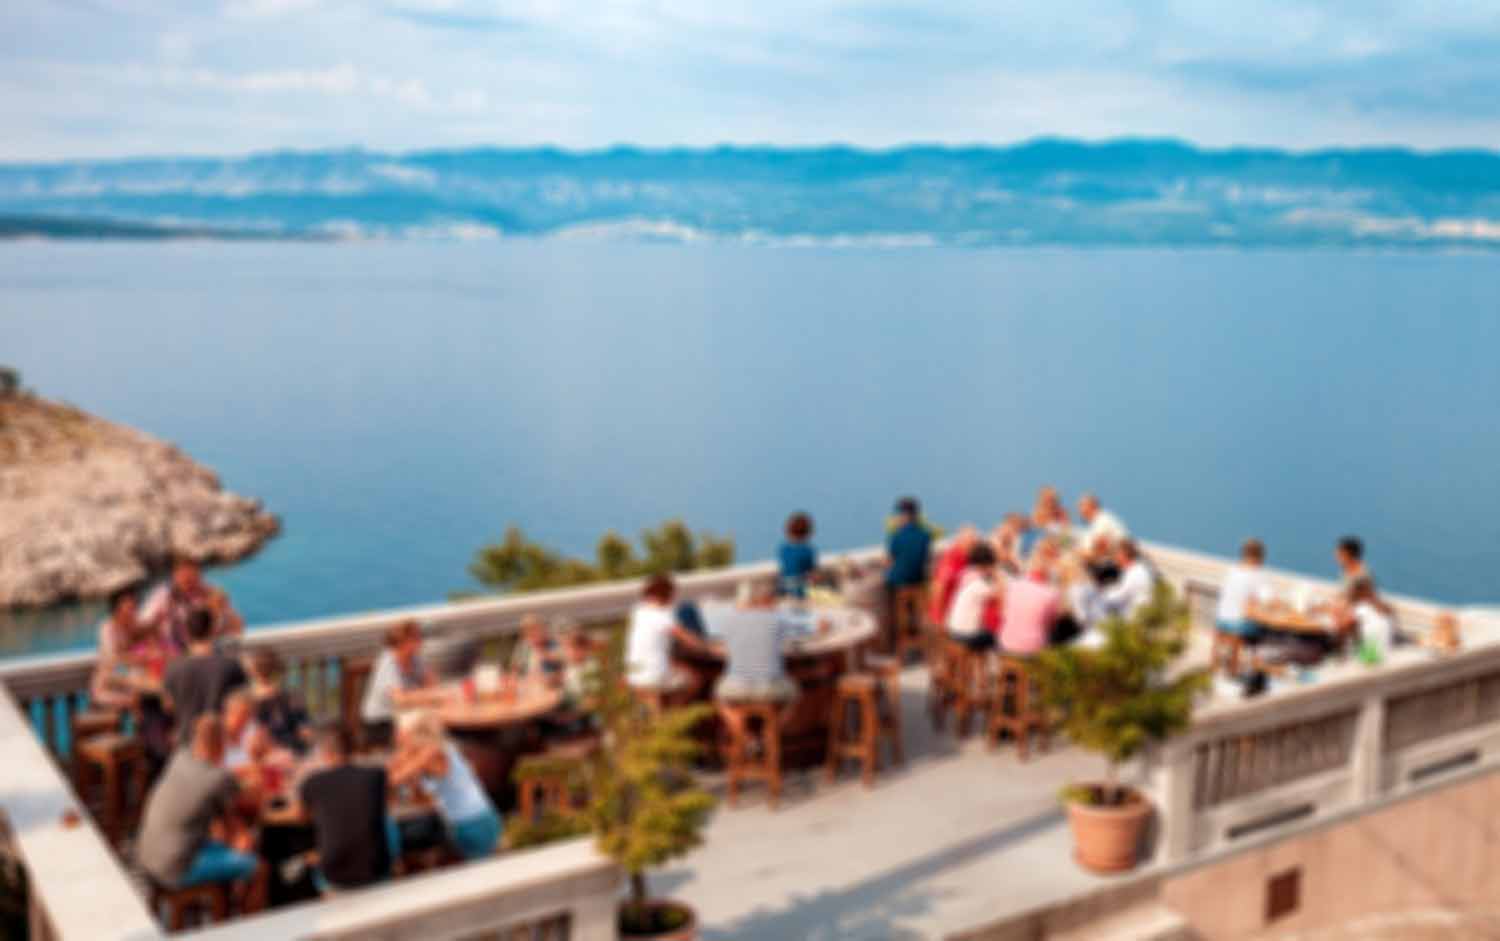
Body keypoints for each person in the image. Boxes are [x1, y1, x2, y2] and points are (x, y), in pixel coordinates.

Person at [136, 715, 266, 909]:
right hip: (176, 867)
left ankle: (224, 910)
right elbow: (249, 803)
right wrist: (256, 762)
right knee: (259, 868)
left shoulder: (179, 758)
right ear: (221, 745)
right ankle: (247, 931)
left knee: (224, 838)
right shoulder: (219, 778)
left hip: (147, 856)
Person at [388, 712, 502, 860]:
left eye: (400, 733)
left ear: (413, 733)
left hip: (475, 823)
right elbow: (414, 790)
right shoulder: (428, 753)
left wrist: (402, 752)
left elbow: (392, 779)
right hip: (465, 823)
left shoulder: (433, 752)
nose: (397, 737)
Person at [299, 724, 397, 893]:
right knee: (385, 822)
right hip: (376, 868)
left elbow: (301, 817)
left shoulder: (311, 783)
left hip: (335, 874)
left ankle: (331, 907)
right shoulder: (376, 775)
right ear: (353, 751)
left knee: (314, 853)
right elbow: (389, 803)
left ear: (325, 753)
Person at [714, 581, 801, 738]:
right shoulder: (778, 620)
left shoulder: (729, 618)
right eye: (775, 600)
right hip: (770, 688)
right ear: (767, 600)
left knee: (719, 698)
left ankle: (745, 738)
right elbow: (798, 638)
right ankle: (767, 736)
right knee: (794, 695)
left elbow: (722, 646)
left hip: (736, 687)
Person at [163, 608, 248, 745]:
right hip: (220, 744)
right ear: (213, 630)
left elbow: (168, 705)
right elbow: (243, 706)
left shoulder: (173, 668)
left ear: (187, 633)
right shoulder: (231, 666)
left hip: (187, 743)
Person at [361, 619, 441, 749]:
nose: (421, 641)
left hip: (404, 715)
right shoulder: (388, 662)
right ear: (403, 642)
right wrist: (427, 695)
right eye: (416, 637)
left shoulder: (414, 658)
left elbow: (432, 685)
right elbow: (400, 699)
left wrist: (429, 680)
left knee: (433, 726)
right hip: (382, 722)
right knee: (426, 731)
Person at [625, 573, 713, 691]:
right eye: (672, 594)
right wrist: (710, 647)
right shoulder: (664, 617)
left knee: (675, 666)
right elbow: (690, 641)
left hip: (633, 674)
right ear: (667, 594)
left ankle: (660, 705)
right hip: (653, 676)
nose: (673, 598)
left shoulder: (638, 611)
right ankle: (676, 708)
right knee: (695, 678)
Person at [140, 557, 243, 655]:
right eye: (184, 577)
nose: (188, 583)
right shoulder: (162, 597)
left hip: (206, 652)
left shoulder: (211, 594)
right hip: (172, 654)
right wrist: (158, 620)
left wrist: (222, 608)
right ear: (175, 576)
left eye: (192, 577)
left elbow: (237, 628)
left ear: (199, 576)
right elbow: (142, 629)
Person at [885, 496, 933, 651]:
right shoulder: (925, 535)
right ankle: (924, 645)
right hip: (919, 581)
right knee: (920, 615)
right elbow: (926, 558)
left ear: (904, 515)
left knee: (900, 616)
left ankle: (900, 646)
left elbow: (890, 560)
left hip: (901, 584)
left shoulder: (896, 536)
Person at [245, 648, 311, 756]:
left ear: (252, 671)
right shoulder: (292, 697)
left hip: (256, 760)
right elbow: (305, 733)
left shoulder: (245, 701)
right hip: (288, 756)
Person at [946, 543, 1002, 652]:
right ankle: (989, 667)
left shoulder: (965, 574)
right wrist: (997, 574)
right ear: (987, 565)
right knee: (996, 637)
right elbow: (1000, 593)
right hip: (966, 634)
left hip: (953, 628)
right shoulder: (980, 583)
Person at [1216, 539, 1272, 644]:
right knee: (1268, 632)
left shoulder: (1232, 570)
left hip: (1221, 621)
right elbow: (1267, 601)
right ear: (1261, 557)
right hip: (1239, 624)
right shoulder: (1258, 574)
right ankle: (1257, 659)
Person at [1094, 540, 1155, 623]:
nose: (1114, 558)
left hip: (1133, 619)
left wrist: (1098, 595)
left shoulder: (1134, 573)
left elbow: (1119, 596)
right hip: (1137, 615)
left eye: (1115, 554)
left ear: (1122, 555)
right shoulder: (1139, 569)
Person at [927, 525, 978, 625]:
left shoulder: (968, 559)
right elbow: (939, 586)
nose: (973, 546)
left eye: (974, 544)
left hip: (956, 615)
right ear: (960, 541)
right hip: (945, 615)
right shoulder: (952, 557)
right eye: (971, 543)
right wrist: (938, 617)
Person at [1076, 493, 1129, 569]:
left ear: (1091, 506)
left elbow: (1101, 547)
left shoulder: (1102, 520)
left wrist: (1081, 556)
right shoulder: (1095, 524)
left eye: (1081, 506)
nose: (1079, 511)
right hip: (1104, 564)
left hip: (1110, 566)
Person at [1349, 576, 1396, 658]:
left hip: (1371, 656)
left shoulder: (1361, 608)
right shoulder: (1384, 607)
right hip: (1386, 651)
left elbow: (1348, 627)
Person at [777, 512, 819, 599]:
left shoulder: (783, 549)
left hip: (784, 588)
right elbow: (812, 573)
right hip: (801, 590)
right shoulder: (807, 550)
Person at [508, 614, 563, 680]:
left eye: (535, 629)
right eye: (527, 631)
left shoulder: (554, 644)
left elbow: (563, 663)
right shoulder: (523, 647)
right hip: (528, 684)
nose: (532, 633)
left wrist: (546, 655)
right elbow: (515, 669)